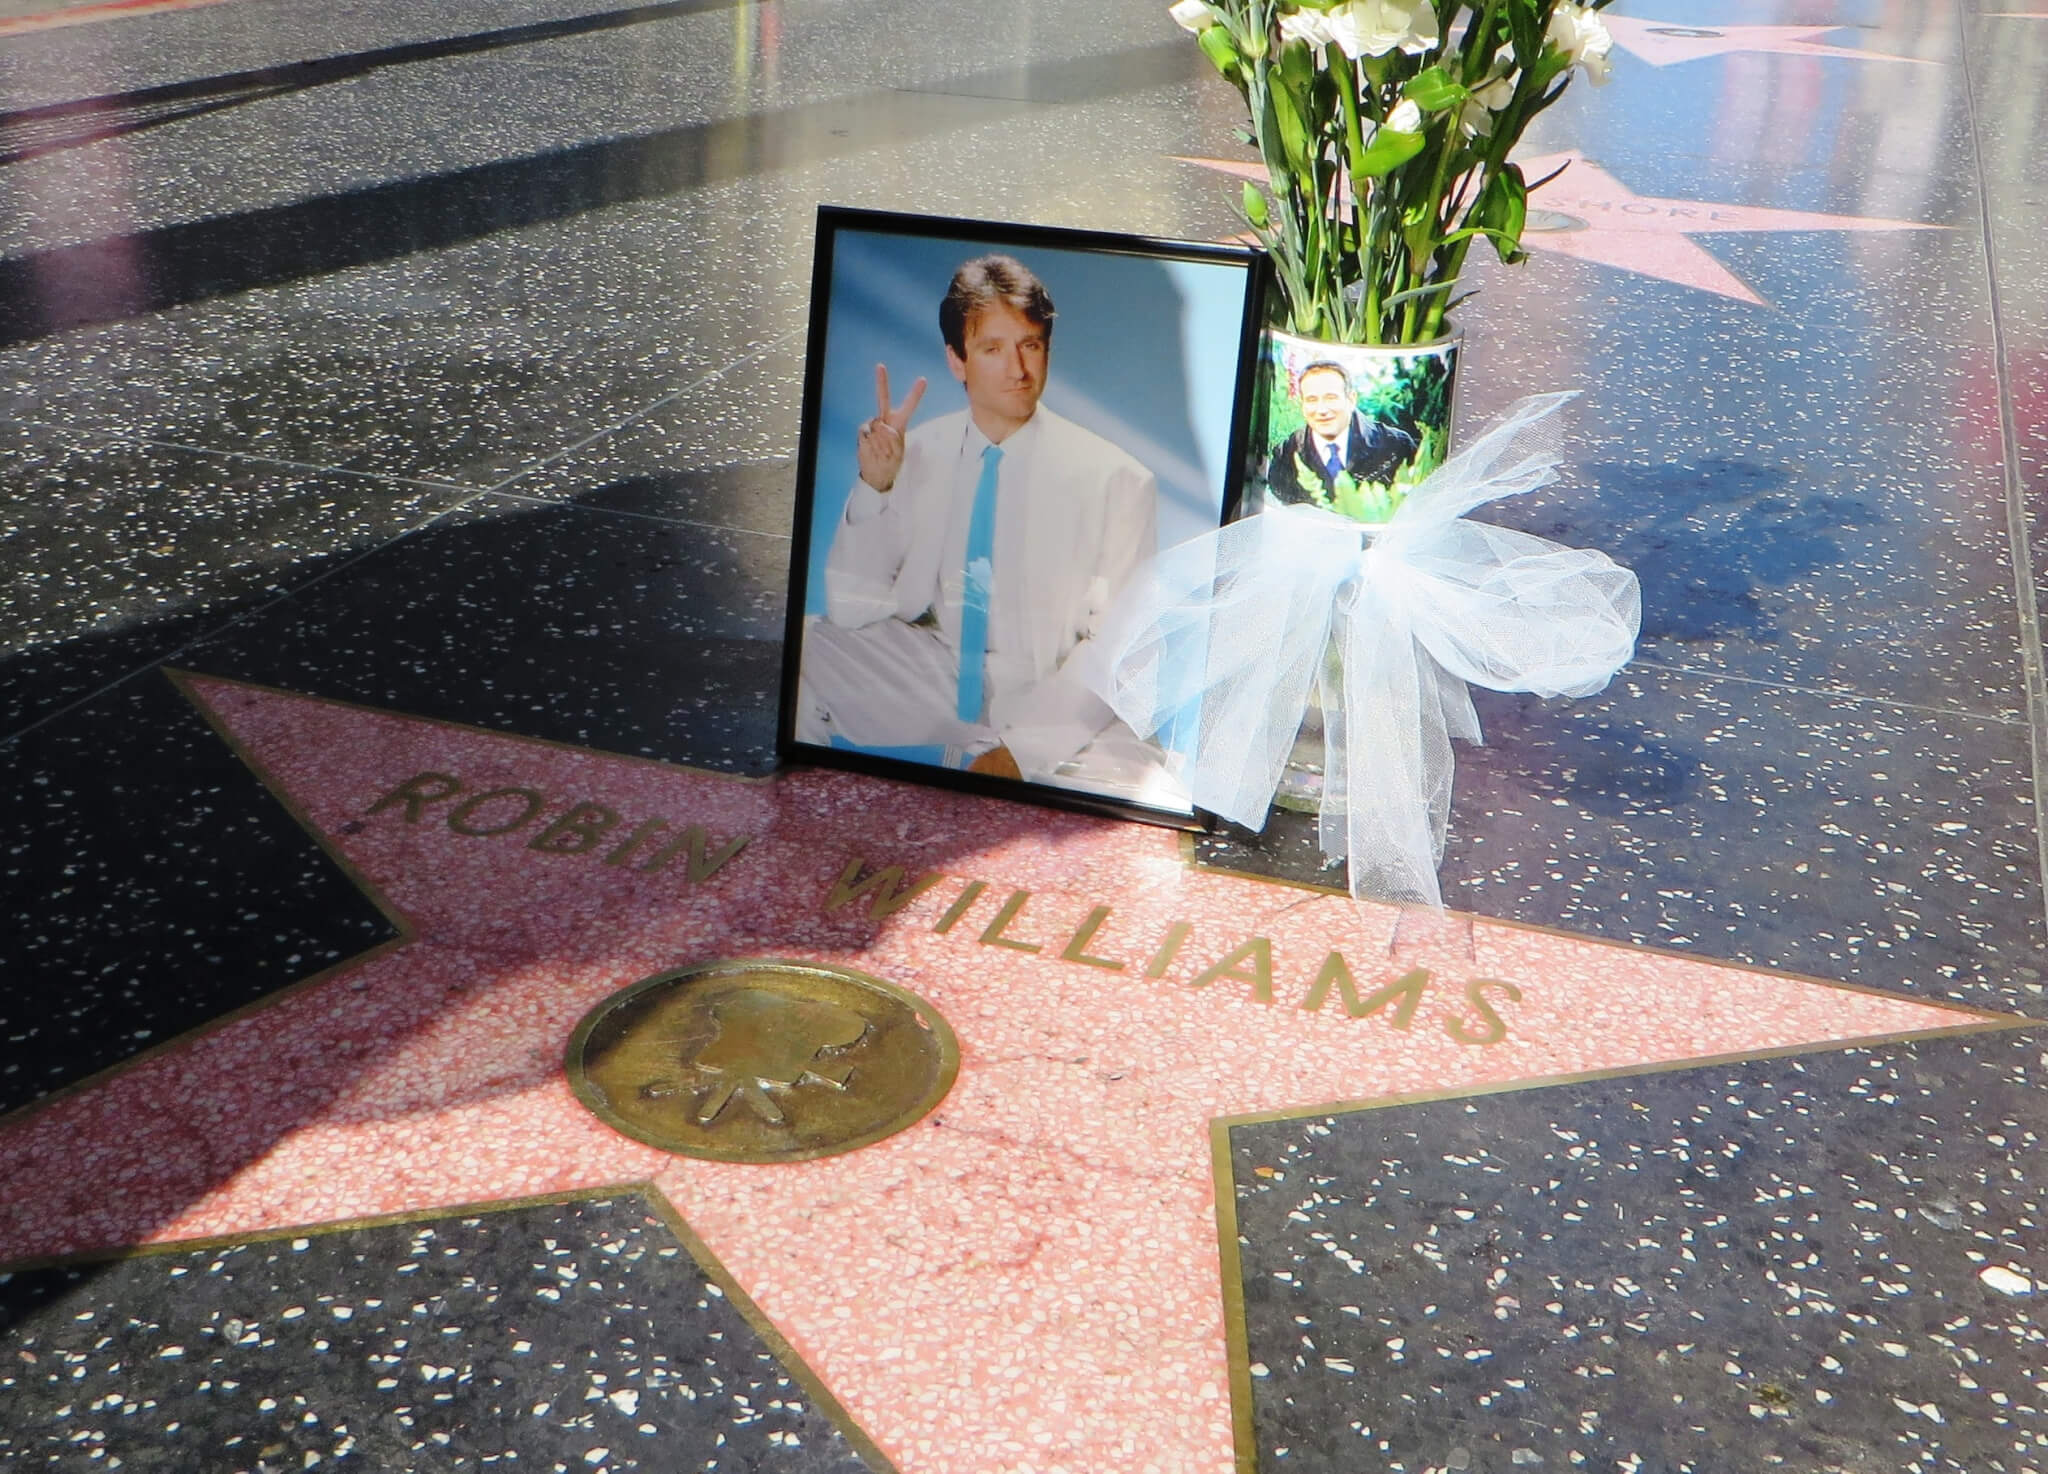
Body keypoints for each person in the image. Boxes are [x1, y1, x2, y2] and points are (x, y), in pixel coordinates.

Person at [796, 254, 1171, 798]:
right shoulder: (917, 452)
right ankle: (814, 834)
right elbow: (854, 610)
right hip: (942, 674)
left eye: (1030, 345)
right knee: (806, 650)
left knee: (1150, 810)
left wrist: (1020, 753)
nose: (1017, 370)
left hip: (1051, 694)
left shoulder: (1118, 479)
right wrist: (875, 486)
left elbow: (1118, 651)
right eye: (993, 349)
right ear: (957, 359)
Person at [1262, 360, 1417, 507]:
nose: (1322, 410)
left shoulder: (1397, 446)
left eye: (1331, 398)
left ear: (1351, 399)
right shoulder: (1285, 454)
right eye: (1312, 400)